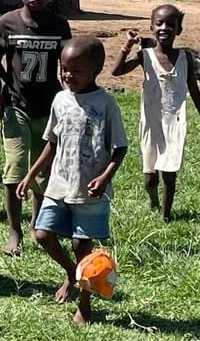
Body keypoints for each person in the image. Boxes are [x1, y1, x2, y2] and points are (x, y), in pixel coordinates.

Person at [17, 36, 127, 325]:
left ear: (96, 70)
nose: (68, 75)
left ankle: (85, 304)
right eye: (64, 68)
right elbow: (52, 142)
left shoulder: (106, 104)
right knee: (42, 234)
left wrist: (105, 177)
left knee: (82, 247)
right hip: (59, 184)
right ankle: (72, 273)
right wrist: (30, 175)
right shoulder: (60, 99)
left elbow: (120, 148)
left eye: (76, 71)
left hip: (89, 189)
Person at [0, 0, 72, 256]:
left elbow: (68, 64)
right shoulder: (8, 23)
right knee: (14, 170)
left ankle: (38, 222)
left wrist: (70, 96)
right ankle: (14, 232)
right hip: (16, 106)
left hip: (49, 110)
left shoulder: (59, 25)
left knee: (41, 172)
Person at [112, 4, 200, 221]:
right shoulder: (145, 56)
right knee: (150, 178)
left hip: (175, 122)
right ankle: (153, 200)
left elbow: (193, 90)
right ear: (151, 26)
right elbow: (116, 71)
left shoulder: (185, 58)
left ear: (179, 29)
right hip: (151, 122)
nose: (164, 28)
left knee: (169, 173)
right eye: (159, 23)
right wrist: (127, 45)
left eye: (170, 24)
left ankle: (165, 216)